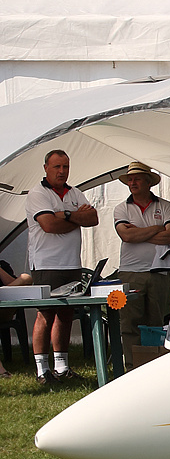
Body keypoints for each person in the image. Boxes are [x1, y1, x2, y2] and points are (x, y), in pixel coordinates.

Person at [26, 149, 98, 386]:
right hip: (46, 264)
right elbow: (48, 225)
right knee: (45, 314)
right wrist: (75, 218)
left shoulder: (75, 192)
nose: (62, 171)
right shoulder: (38, 193)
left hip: (71, 263)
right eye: (57, 167)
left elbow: (93, 219)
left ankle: (62, 366)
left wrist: (66, 214)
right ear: (45, 168)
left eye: (65, 167)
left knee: (66, 315)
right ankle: (41, 369)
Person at [113, 162, 170, 364]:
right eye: (130, 179)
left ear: (148, 181)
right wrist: (158, 228)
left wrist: (139, 233)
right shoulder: (121, 208)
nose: (132, 182)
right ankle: (132, 366)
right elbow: (126, 236)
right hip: (130, 273)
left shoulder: (165, 205)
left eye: (137, 178)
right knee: (130, 323)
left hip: (158, 273)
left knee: (155, 323)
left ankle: (152, 364)